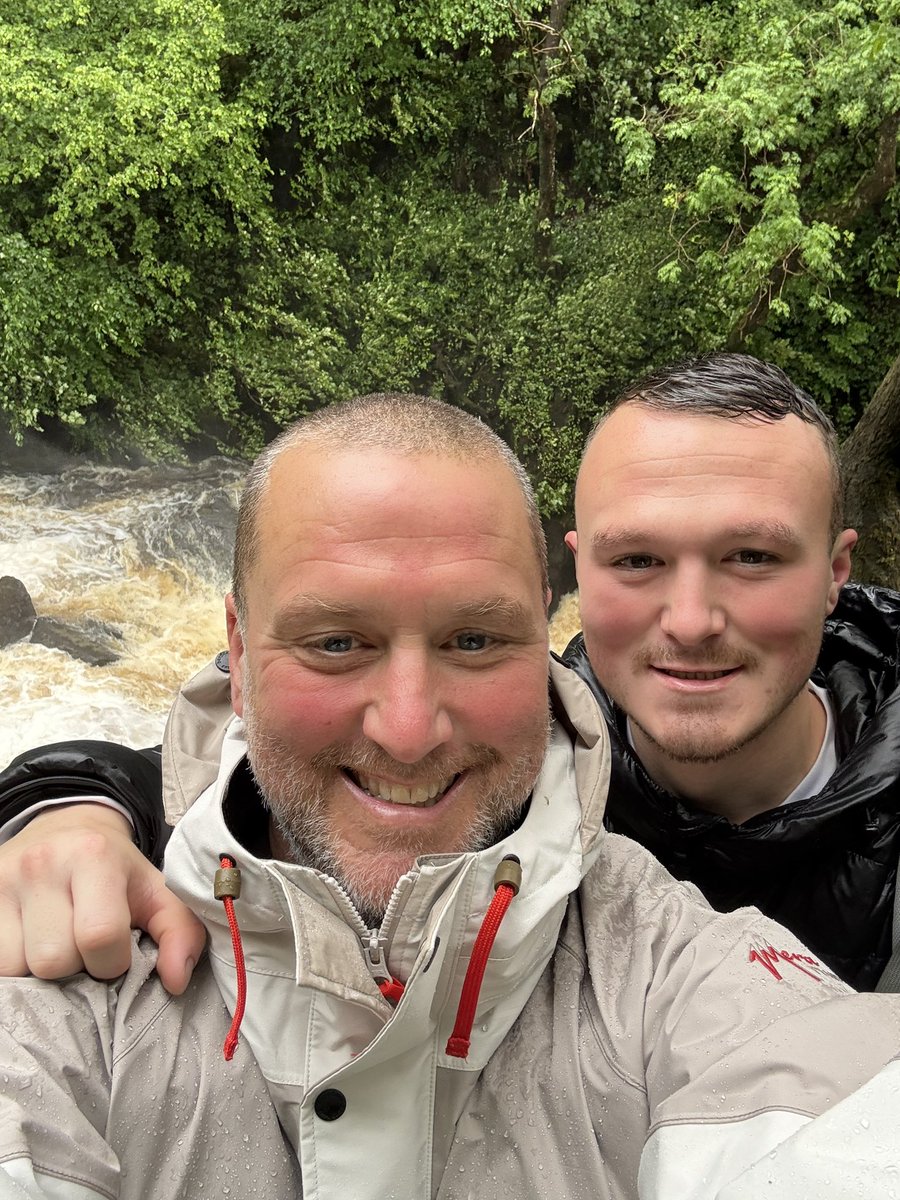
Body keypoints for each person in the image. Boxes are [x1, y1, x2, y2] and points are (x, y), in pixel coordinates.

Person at [1, 392, 899, 1200]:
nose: (691, 623)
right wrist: (64, 798)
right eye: (336, 642)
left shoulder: (658, 953)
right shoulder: (78, 966)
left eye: (474, 640)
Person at [561, 353, 900, 990]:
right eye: (637, 560)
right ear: (578, 570)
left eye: (751, 556)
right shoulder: (497, 803)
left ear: (834, 572)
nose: (690, 623)